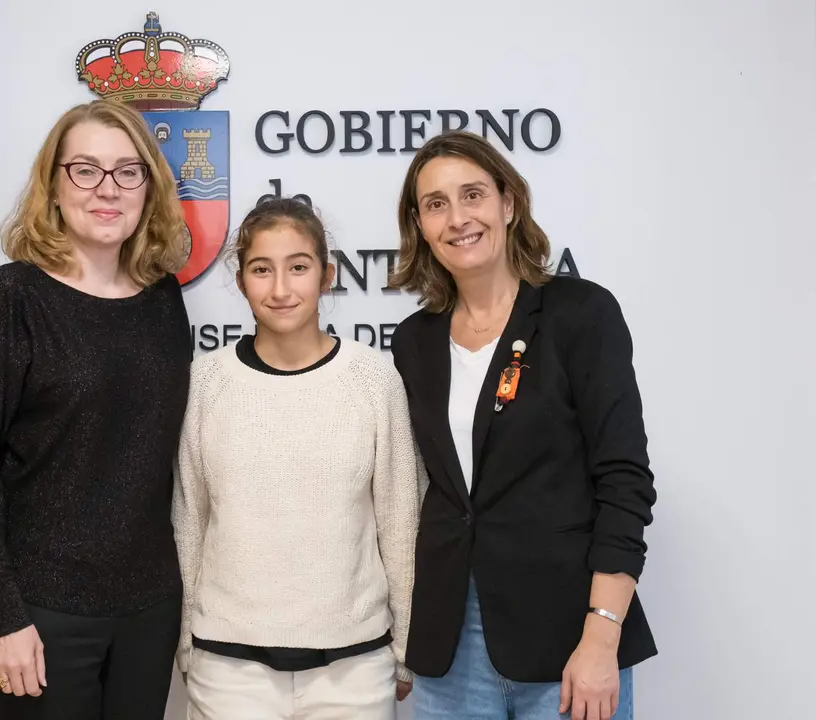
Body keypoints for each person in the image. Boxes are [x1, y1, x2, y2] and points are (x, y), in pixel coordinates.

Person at [388, 131, 657, 720]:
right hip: (450, 641)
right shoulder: (414, 341)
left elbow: (624, 483)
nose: (458, 218)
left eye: (473, 195)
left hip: (569, 633)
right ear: (420, 225)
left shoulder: (580, 314)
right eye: (436, 204)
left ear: (508, 203)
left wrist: (601, 637)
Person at [0, 100, 192, 720]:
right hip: (38, 613)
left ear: (148, 188)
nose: (107, 189)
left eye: (127, 171)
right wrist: (4, 617)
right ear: (53, 185)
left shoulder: (163, 301)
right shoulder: (10, 299)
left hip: (148, 610)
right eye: (85, 170)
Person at [172, 198, 423, 719]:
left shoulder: (373, 381)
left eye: (299, 267)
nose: (281, 289)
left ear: (327, 275)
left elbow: (401, 524)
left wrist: (403, 651)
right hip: (228, 671)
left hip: (353, 670)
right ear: (241, 281)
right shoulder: (206, 383)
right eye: (262, 270)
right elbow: (189, 520)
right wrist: (186, 644)